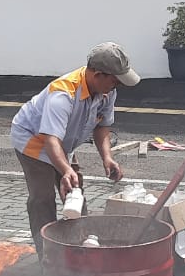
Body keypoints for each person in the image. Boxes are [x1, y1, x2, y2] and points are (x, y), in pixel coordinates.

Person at [10, 42, 137, 254]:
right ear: (98, 75)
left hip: (63, 141)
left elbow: (102, 126)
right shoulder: (62, 95)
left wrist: (107, 157)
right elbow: (51, 140)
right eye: (115, 80)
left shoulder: (107, 91)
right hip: (34, 140)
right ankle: (48, 255)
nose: (117, 86)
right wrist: (66, 170)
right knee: (42, 198)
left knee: (75, 190)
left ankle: (83, 246)